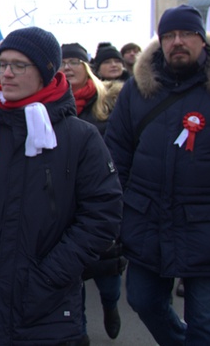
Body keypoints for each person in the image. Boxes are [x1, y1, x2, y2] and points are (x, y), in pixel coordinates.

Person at [0, 27, 122, 346]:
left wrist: (51, 275)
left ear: (45, 71)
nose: (7, 74)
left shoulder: (79, 137)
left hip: (53, 305)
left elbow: (102, 214)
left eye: (19, 65)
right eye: (3, 65)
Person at [105, 5, 210, 345]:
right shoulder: (137, 90)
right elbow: (116, 154)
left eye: (186, 34)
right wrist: (116, 210)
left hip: (206, 226)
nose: (177, 42)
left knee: (205, 322)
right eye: (169, 36)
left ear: (202, 40)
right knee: (142, 299)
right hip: (146, 220)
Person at [60, 43, 126, 341]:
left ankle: (111, 307)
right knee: (74, 282)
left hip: (99, 199)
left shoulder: (108, 101)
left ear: (87, 66)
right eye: (63, 62)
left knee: (108, 278)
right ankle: (80, 334)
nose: (68, 67)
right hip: (65, 203)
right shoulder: (53, 103)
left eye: (75, 61)